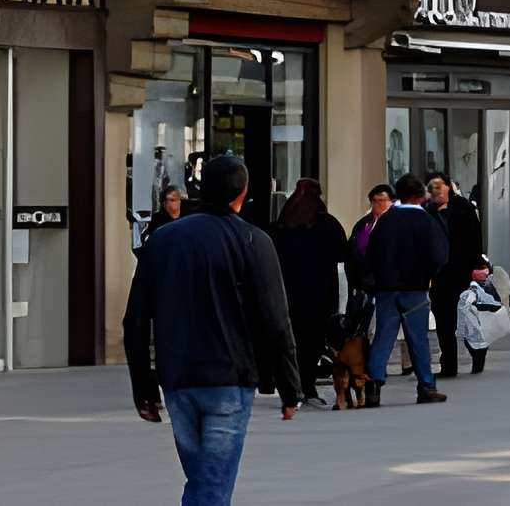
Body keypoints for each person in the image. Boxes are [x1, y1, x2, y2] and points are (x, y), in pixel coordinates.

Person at [124, 150, 300, 506]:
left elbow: (136, 319)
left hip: (178, 379)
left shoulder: (163, 240)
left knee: (204, 479)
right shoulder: (254, 241)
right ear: (243, 192)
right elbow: (276, 320)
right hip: (228, 377)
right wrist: (289, 386)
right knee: (213, 483)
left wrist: (143, 385)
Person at [364, 174, 447, 405]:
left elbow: (370, 254)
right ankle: (426, 387)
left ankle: (373, 383)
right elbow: (438, 255)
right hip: (415, 287)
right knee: (418, 338)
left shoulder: (385, 221)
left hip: (386, 288)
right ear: (420, 195)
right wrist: (429, 274)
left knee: (383, 335)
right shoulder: (426, 221)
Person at [272, 178, 348, 409]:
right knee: (312, 344)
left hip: (288, 295)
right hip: (319, 296)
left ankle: (292, 387)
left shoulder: (280, 227)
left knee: (291, 343)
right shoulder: (328, 224)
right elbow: (343, 258)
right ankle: (308, 385)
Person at [425, 173, 484, 381]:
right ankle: (448, 364)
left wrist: (478, 265)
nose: (436, 190)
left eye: (440, 186)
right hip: (439, 275)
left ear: (449, 187)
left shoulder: (463, 208)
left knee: (466, 317)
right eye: (432, 187)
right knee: (443, 321)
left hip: (462, 271)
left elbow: (476, 238)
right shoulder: (426, 212)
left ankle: (477, 350)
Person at [454, 255, 509, 373]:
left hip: (469, 289)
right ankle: (479, 355)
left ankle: (477, 355)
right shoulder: (481, 258)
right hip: (481, 294)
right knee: (478, 327)